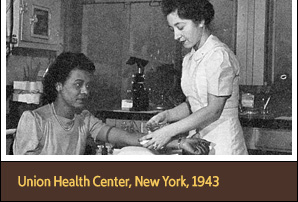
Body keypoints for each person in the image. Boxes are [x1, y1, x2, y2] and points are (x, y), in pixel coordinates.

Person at [13, 52, 210, 155]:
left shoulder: (84, 119)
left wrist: (180, 142)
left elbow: (128, 138)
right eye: (78, 85)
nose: (85, 91)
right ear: (58, 86)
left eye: (88, 85)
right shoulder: (35, 120)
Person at [140, 0, 248, 155]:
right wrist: (167, 115)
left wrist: (168, 132)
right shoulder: (190, 58)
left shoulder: (219, 55)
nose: (176, 36)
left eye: (181, 27)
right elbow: (194, 104)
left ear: (201, 21)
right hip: (199, 141)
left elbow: (213, 110)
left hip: (224, 141)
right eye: (172, 29)